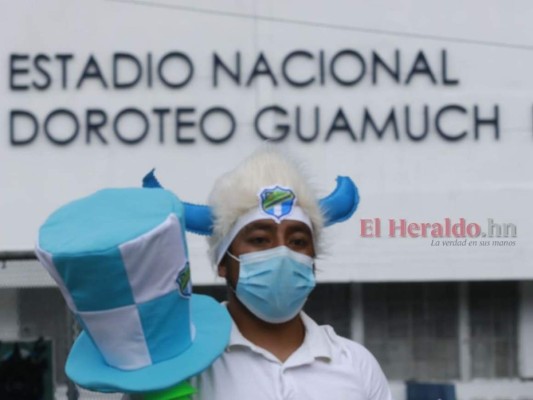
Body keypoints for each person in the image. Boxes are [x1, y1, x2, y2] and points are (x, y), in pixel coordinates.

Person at [193, 148, 393, 400]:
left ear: (312, 260)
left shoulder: (356, 364)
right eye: (260, 239)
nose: (282, 253)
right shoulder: (186, 364)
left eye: (298, 241)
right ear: (223, 261)